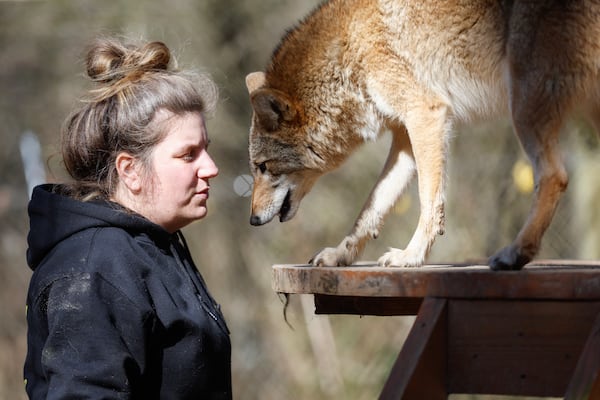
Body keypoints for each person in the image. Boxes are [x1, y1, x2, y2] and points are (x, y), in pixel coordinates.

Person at [24, 37, 231, 399]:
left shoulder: (151, 246)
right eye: (188, 155)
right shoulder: (94, 268)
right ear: (130, 170)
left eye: (206, 151)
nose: (210, 168)